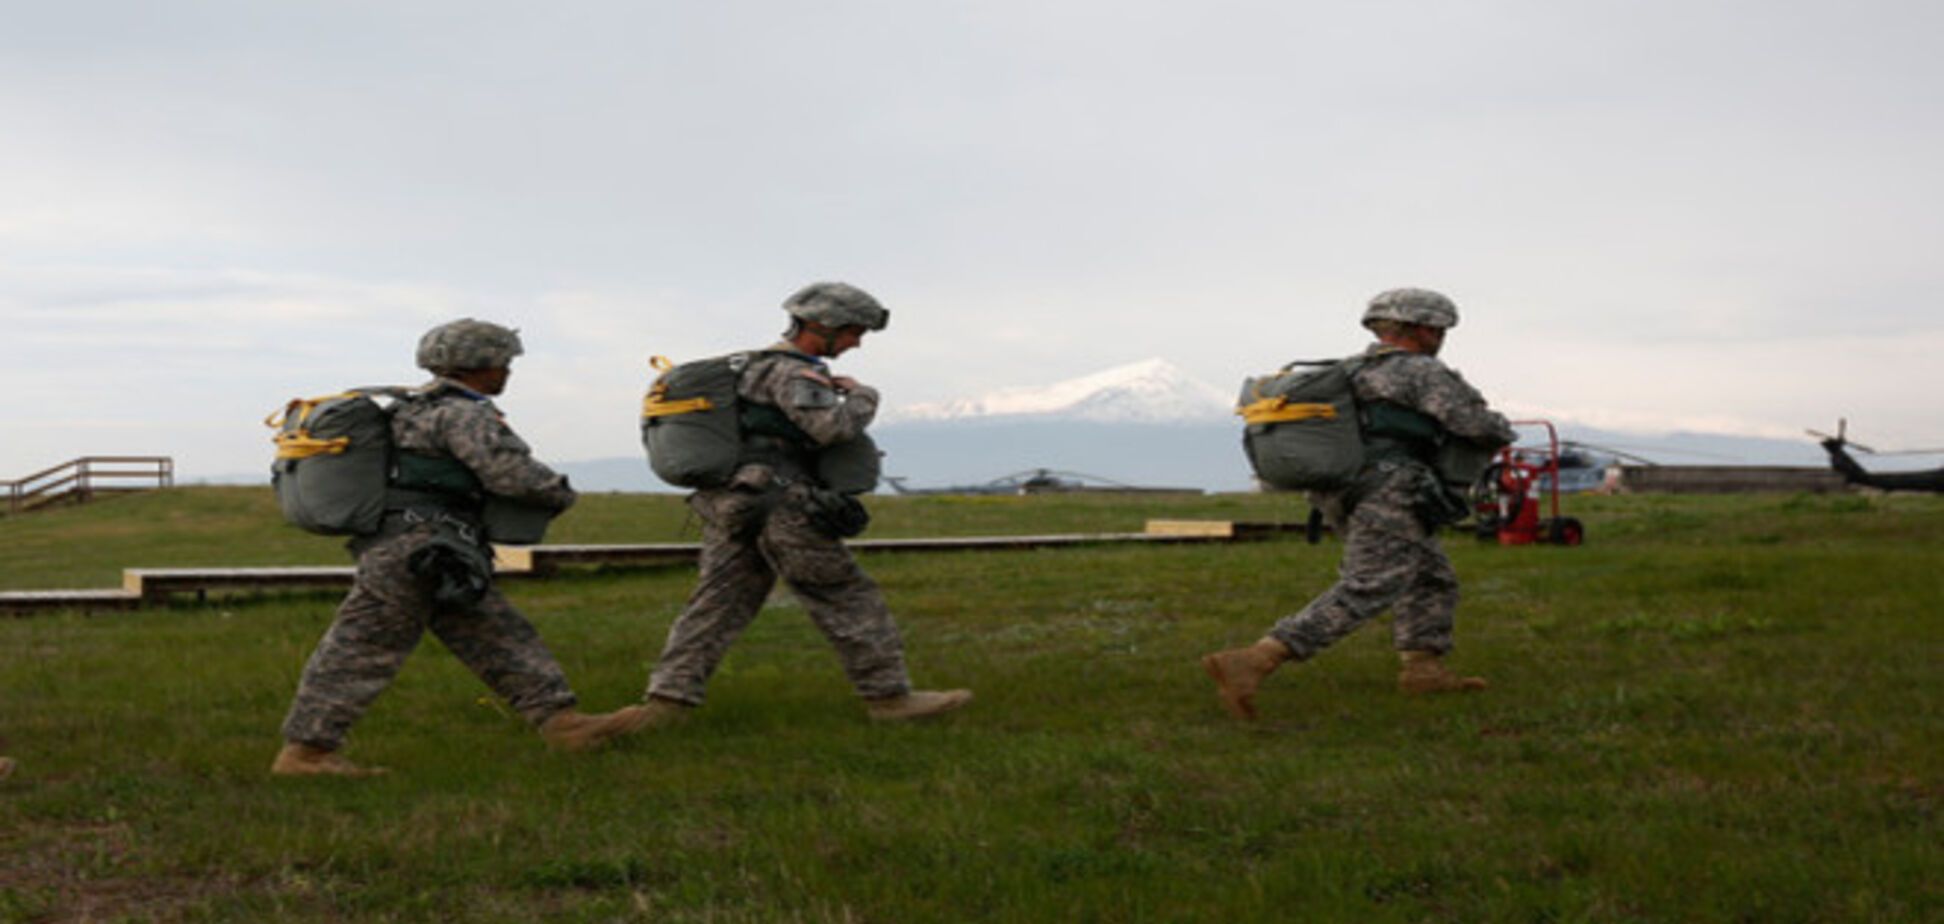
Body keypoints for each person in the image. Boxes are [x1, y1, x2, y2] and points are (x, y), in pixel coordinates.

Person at [272, 320, 651, 776]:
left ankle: (561, 722)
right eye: (502, 361)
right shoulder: (463, 413)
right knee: (361, 648)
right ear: (480, 363)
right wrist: (557, 492)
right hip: (424, 548)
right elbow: (509, 475)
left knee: (497, 634)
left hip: (417, 547)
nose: (507, 370)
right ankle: (306, 754)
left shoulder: (408, 409)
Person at [635, 282, 972, 724]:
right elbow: (831, 429)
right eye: (853, 331)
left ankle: (666, 704)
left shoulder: (749, 369)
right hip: (782, 506)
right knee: (847, 597)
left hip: (737, 505)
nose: (856, 342)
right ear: (822, 326)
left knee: (715, 604)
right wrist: (864, 396)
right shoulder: (793, 374)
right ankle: (890, 700)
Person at [1203, 288, 1516, 719]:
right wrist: (1501, 429)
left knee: (1430, 577)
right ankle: (1260, 657)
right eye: (1439, 328)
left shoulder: (1352, 371)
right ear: (1425, 328)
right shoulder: (1418, 371)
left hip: (1344, 489)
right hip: (1392, 488)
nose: (1440, 336)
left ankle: (1424, 670)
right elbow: (1472, 423)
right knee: (1373, 581)